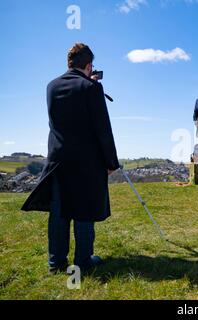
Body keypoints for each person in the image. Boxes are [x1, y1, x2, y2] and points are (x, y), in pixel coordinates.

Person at [21, 43, 120, 273]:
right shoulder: (92, 88)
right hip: (87, 161)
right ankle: (83, 262)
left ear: (69, 63)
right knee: (84, 211)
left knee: (60, 212)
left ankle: (56, 263)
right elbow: (102, 129)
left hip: (58, 159)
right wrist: (110, 162)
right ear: (89, 65)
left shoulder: (51, 86)